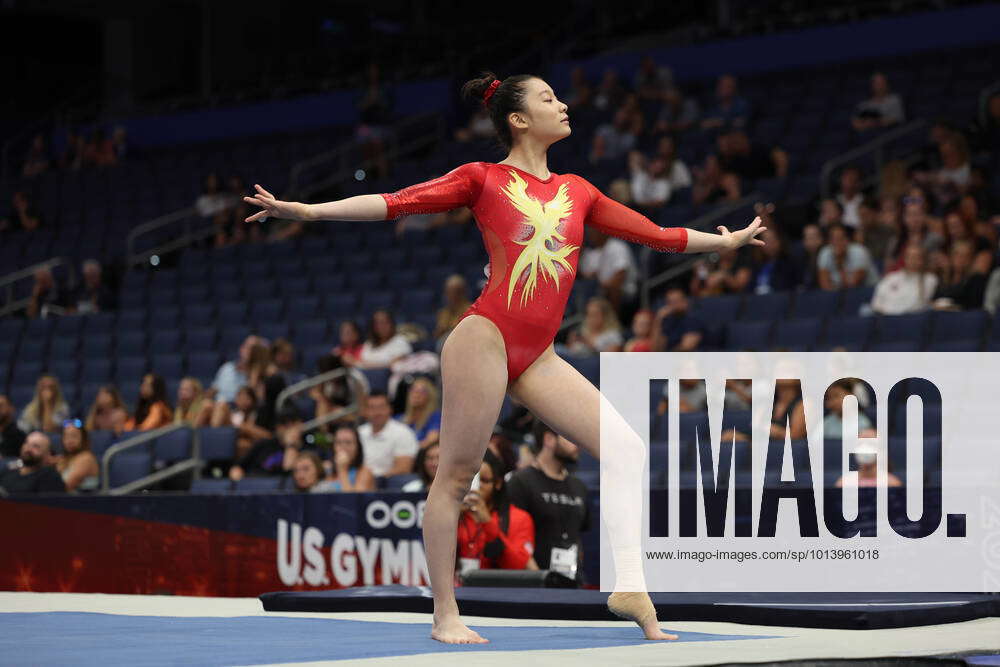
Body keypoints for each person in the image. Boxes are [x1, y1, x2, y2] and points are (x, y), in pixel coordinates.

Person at [243, 70, 764, 644]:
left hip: (537, 353)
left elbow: (658, 235)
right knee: (456, 477)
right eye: (548, 98)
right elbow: (398, 202)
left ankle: (631, 586)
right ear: (518, 119)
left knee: (626, 448)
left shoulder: (579, 191)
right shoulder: (483, 178)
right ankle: (445, 613)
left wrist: (726, 243)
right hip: (485, 336)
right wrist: (311, 212)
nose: (563, 104)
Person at [507, 419, 589, 580]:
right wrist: (538, 579)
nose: (577, 444)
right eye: (570, 437)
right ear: (549, 440)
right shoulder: (520, 482)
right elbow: (513, 537)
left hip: (573, 583)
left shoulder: (579, 486)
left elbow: (578, 536)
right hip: (535, 584)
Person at [457, 449, 537, 572]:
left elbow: (517, 567)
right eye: (470, 480)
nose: (476, 487)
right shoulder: (455, 514)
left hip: (495, 588)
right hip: (455, 587)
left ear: (498, 483)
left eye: (483, 481)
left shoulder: (519, 518)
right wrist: (452, 516)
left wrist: (487, 523)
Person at [357, 391, 418, 478]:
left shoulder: (403, 433)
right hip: (357, 483)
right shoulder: (359, 432)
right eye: (372, 408)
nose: (377, 412)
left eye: (381, 407)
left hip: (388, 486)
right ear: (365, 411)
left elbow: (404, 468)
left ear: (390, 409)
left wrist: (373, 480)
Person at [578, 228, 638, 313]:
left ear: (602, 231)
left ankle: (616, 320)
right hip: (604, 294)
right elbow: (582, 275)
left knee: (612, 289)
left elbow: (621, 274)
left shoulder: (616, 246)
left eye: (594, 231)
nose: (591, 235)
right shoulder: (594, 253)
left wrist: (605, 286)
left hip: (626, 292)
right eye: (590, 232)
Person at [870, 245, 937, 315]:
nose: (912, 260)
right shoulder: (891, 277)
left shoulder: (929, 279)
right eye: (908, 256)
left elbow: (919, 304)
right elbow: (876, 302)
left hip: (909, 319)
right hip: (884, 318)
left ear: (922, 260)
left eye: (915, 257)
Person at [817, 224, 879, 290]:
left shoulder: (859, 251)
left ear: (847, 240)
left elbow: (852, 285)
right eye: (833, 239)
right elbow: (824, 286)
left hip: (870, 291)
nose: (837, 242)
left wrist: (839, 262)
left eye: (840, 239)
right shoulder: (825, 252)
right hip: (840, 293)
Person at [0, 431, 66, 494]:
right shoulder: (9, 471)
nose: (28, 449)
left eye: (36, 446)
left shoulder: (50, 477)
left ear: (47, 454)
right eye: (26, 443)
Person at [317, 424, 375, 492]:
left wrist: (342, 470)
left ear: (357, 447)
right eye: (338, 442)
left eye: (348, 442)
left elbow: (354, 500)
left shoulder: (365, 472)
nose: (343, 447)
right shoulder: (326, 469)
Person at [210, 335, 265, 404]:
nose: (249, 352)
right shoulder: (227, 367)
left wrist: (254, 373)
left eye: (253, 349)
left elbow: (257, 398)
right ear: (241, 349)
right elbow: (214, 389)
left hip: (237, 407)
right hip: (218, 404)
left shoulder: (258, 373)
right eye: (246, 347)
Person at [53, 419, 99, 492]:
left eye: (74, 436)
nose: (69, 440)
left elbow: (65, 487)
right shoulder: (63, 460)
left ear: (83, 439)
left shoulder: (86, 458)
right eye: (66, 437)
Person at [396, 377, 442, 450]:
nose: (416, 394)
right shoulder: (399, 418)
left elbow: (432, 440)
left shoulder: (435, 417)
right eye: (413, 390)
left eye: (421, 391)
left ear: (430, 396)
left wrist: (408, 452)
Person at [433, 275, 472, 343]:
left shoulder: (470, 311)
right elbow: (437, 335)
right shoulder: (443, 312)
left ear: (461, 293)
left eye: (451, 292)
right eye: (446, 292)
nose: (446, 295)